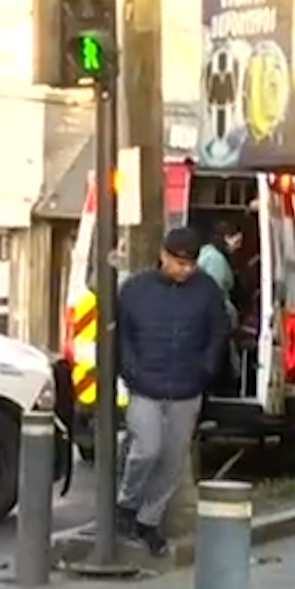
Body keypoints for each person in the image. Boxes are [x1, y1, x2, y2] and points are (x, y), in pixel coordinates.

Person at [116, 226, 231, 557]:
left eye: (191, 264)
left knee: (172, 458)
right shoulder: (135, 290)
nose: (186, 270)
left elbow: (217, 331)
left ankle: (148, 520)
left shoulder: (206, 291)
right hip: (145, 386)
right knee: (147, 448)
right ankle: (128, 503)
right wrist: (131, 371)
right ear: (164, 256)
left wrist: (205, 369)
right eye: (180, 262)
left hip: (186, 386)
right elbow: (122, 335)